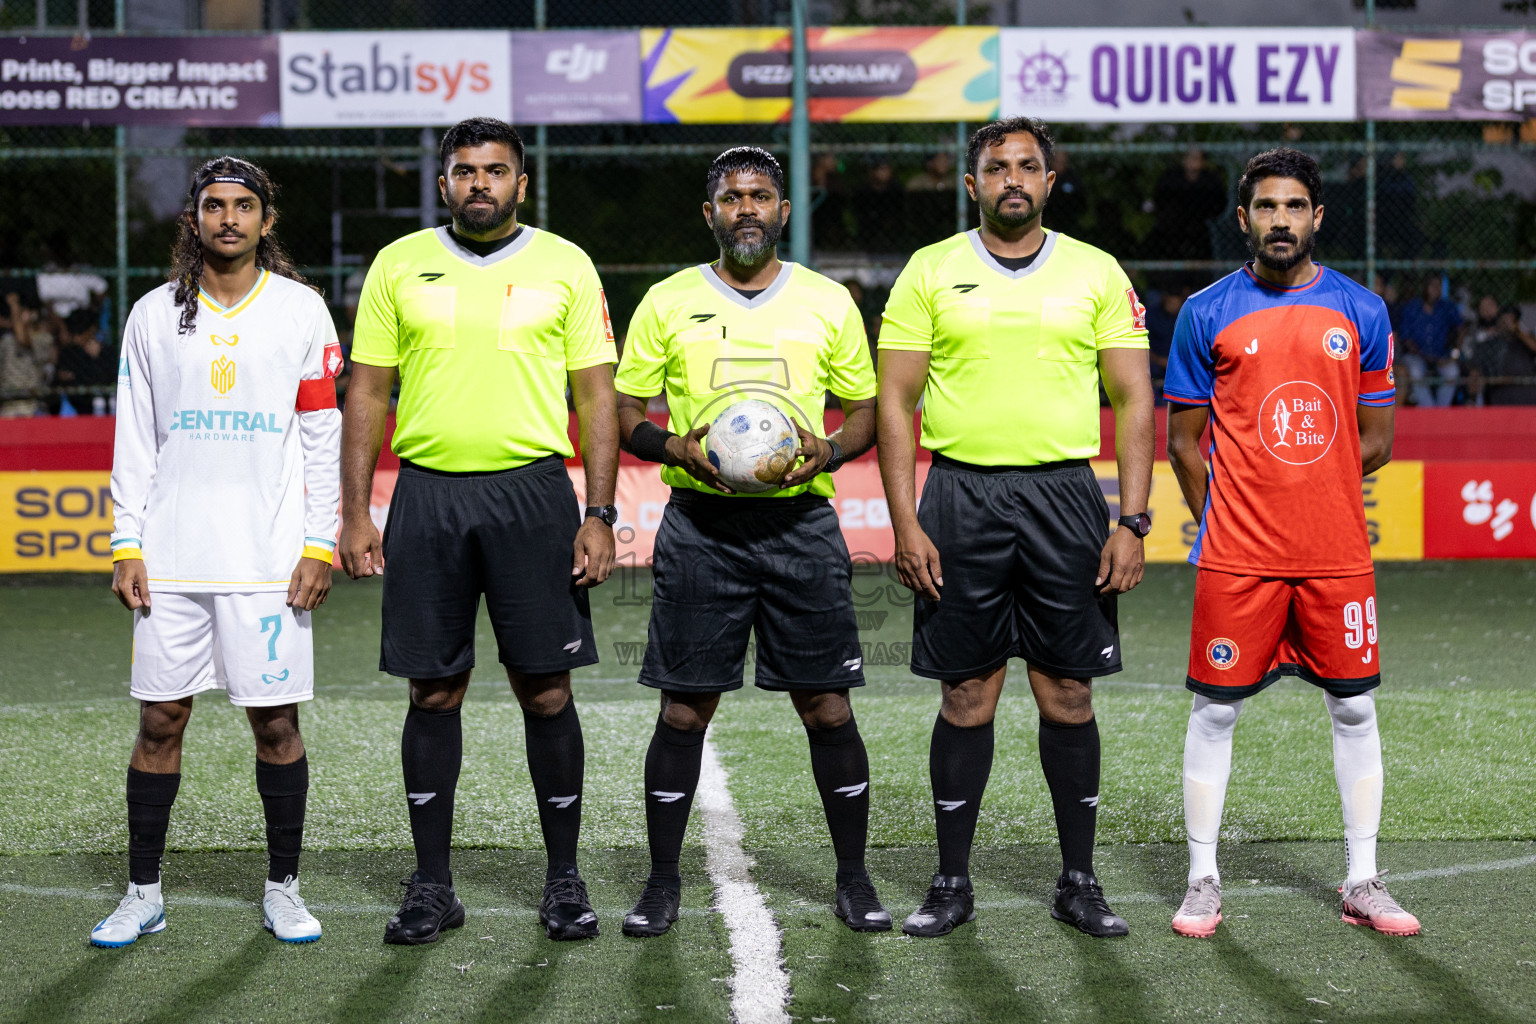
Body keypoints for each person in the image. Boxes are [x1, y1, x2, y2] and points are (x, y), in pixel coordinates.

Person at [339, 117, 620, 945]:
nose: (480, 184)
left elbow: (596, 397)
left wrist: (599, 514)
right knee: (433, 690)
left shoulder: (566, 264)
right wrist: (355, 511)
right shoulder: (399, 264)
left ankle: (563, 879)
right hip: (428, 496)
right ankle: (432, 886)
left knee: (547, 690)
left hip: (534, 494)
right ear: (444, 184)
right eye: (465, 171)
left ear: (520, 184)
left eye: (495, 171)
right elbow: (367, 392)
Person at [877, 117, 1154, 939]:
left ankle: (1079, 881)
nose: (1013, 179)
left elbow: (1134, 397)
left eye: (1028, 166)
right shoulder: (930, 269)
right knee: (966, 695)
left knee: (1068, 693)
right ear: (973, 185)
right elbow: (895, 402)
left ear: (1049, 181)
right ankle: (951, 882)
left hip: (1065, 496)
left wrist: (1134, 519)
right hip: (959, 495)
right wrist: (905, 522)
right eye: (997, 167)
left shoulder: (1096, 271)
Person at [614, 146, 889, 937]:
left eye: (760, 196)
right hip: (701, 527)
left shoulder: (827, 301)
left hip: (801, 526)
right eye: (732, 197)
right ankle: (661, 883)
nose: (746, 209)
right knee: (683, 709)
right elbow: (625, 411)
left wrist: (828, 449)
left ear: (783, 211)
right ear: (710, 213)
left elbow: (865, 413)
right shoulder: (667, 301)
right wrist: (672, 446)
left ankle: (854, 879)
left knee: (827, 707)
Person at [1163, 147, 1420, 940]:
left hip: (1335, 554)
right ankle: (1202, 881)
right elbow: (1183, 443)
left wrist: (1313, 486)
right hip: (1237, 558)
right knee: (1214, 711)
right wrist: (1226, 519)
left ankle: (1362, 879)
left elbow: (1377, 440)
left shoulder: (1362, 311)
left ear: (1317, 216)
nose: (1282, 220)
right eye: (1267, 207)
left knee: (1355, 706)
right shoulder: (1205, 311)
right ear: (1244, 219)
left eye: (1295, 206)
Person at [96, 156, 341, 948]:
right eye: (213, 205)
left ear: (267, 220)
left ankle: (284, 888)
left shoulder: (301, 311)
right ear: (193, 219)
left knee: (276, 726)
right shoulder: (152, 315)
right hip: (171, 558)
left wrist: (320, 542)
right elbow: (135, 438)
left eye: (243, 206)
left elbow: (322, 436)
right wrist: (125, 541)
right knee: (159, 721)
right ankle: (143, 894)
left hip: (269, 562)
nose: (228, 218)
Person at [1149, 148, 1228, 263]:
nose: (1193, 162)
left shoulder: (1210, 180)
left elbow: (1219, 204)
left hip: (1200, 227)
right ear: (1184, 160)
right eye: (1190, 157)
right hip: (1173, 228)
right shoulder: (1171, 178)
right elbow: (1159, 200)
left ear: (1203, 162)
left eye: (1197, 158)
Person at [1398, 276, 1463, 407]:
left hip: (1441, 355)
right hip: (1417, 355)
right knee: (1415, 372)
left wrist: (1454, 353)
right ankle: (1428, 409)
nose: (1436, 289)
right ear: (1425, 287)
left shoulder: (1447, 307)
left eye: (1439, 286)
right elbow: (1406, 338)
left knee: (1452, 372)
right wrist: (1424, 356)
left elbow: (1461, 329)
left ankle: (1441, 411)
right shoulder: (1412, 307)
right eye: (1433, 286)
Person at [0, 291, 50, 417]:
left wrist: (14, 305)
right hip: (7, 404)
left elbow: (23, 340)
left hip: (30, 405)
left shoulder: (43, 338)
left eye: (21, 311)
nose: (16, 315)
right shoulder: (7, 339)